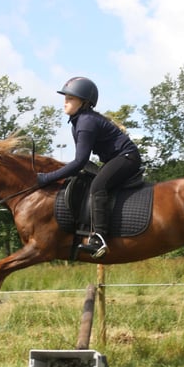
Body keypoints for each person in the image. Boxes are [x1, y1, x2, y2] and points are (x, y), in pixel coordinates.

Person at [36, 76, 142, 258]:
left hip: (127, 157)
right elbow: (82, 163)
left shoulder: (86, 122)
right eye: (65, 98)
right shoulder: (78, 121)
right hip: (114, 159)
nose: (65, 103)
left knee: (98, 186)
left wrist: (47, 178)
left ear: (84, 102)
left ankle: (99, 237)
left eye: (70, 99)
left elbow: (78, 161)